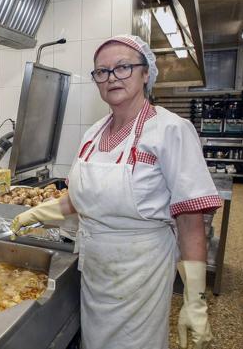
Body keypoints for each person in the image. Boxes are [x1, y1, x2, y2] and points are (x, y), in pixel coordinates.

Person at [11, 34, 221, 349]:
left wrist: (195, 299)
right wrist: (37, 213)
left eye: (123, 68)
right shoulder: (93, 134)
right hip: (97, 270)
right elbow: (83, 198)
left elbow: (190, 222)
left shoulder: (170, 131)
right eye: (102, 71)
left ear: (146, 72)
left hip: (141, 274)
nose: (111, 78)